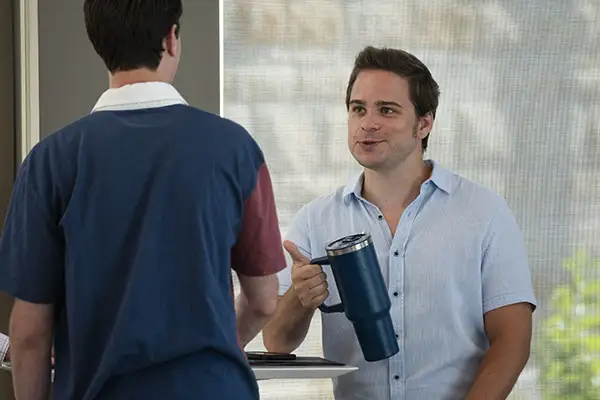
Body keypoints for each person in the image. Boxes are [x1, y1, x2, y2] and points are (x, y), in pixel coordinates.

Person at [0, 1, 285, 399]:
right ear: (172, 38)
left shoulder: (50, 161)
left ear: (99, 42)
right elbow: (264, 301)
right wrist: (213, 348)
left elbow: (30, 332)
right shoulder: (236, 150)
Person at [262, 46, 537, 400]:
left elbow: (512, 341)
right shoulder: (316, 220)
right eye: (358, 109)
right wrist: (300, 299)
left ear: (424, 123)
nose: (368, 123)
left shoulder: (484, 213)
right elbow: (276, 343)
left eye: (387, 110)